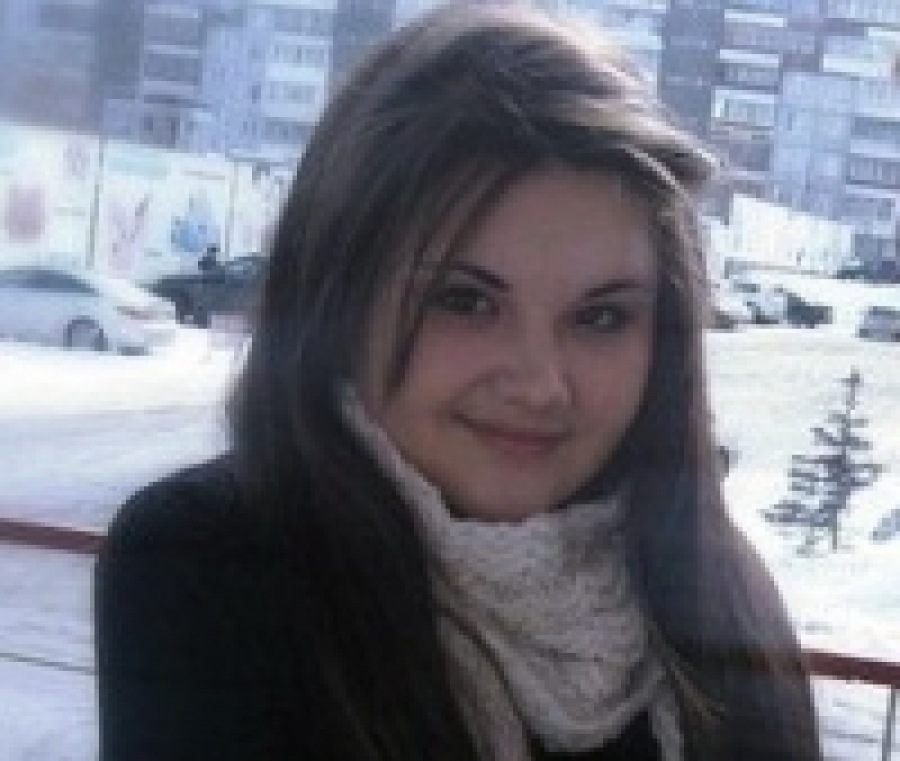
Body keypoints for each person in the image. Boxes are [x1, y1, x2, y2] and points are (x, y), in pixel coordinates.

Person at [94, 4, 823, 761]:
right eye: (466, 301)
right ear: (340, 298)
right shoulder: (214, 560)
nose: (541, 385)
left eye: (601, 317)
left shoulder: (713, 585)